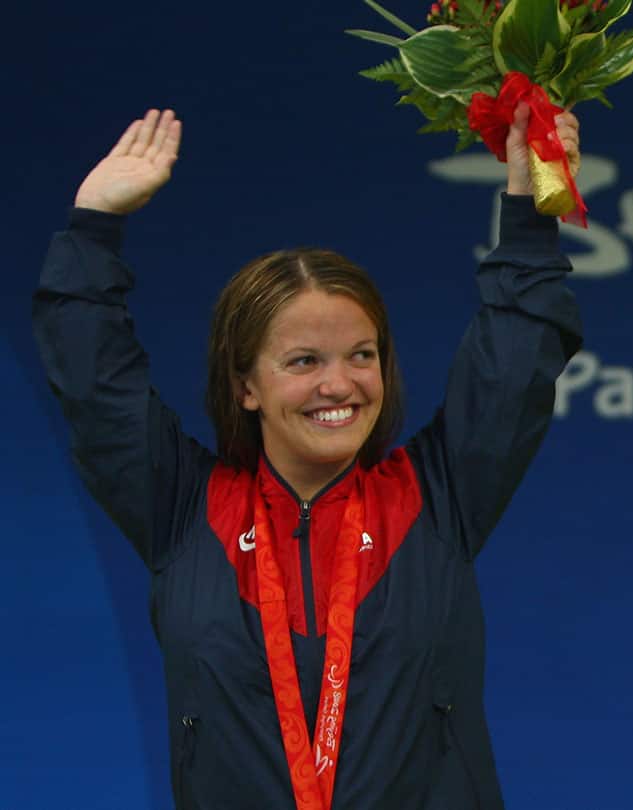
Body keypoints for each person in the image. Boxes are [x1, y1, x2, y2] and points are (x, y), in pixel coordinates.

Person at [33, 106, 583, 810]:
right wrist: (93, 226)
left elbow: (514, 362)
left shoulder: (438, 496)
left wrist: (530, 207)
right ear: (246, 386)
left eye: (362, 355)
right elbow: (93, 384)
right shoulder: (182, 509)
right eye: (303, 361)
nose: (339, 385)